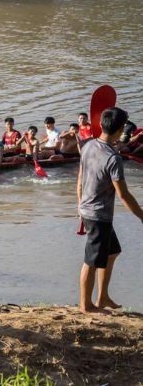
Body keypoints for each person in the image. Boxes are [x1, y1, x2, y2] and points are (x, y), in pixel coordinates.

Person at [77, 107, 143, 315]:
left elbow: (79, 179)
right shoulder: (113, 158)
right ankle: (86, 305)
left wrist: (80, 205)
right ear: (121, 129)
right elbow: (123, 195)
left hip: (89, 210)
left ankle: (102, 297)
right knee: (91, 261)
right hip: (98, 215)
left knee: (112, 252)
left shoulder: (88, 145)